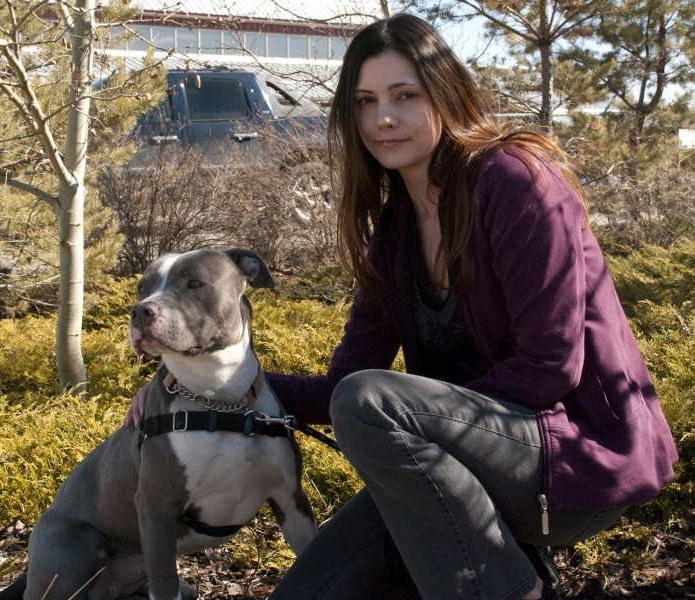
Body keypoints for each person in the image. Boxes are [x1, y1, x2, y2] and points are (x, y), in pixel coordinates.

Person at [126, 13, 678, 600]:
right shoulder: (394, 231)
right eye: (365, 101)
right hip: (453, 476)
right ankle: (499, 566)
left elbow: (550, 368)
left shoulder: (516, 182)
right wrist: (193, 386)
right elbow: (340, 385)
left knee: (369, 400)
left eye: (405, 96)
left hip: (572, 466)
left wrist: (426, 423)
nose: (382, 118)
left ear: (446, 94)